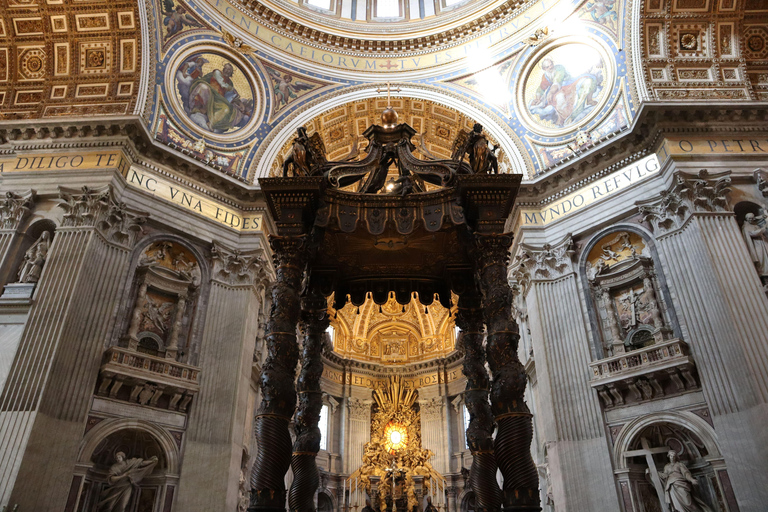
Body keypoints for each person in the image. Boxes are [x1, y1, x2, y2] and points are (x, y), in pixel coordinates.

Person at [742, 212, 768, 278]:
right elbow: (753, 233)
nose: (751, 220)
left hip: (763, 243)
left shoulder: (756, 226)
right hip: (756, 245)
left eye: (752, 218)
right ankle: (764, 276)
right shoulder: (746, 227)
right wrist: (764, 227)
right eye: (749, 219)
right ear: (747, 219)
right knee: (761, 260)